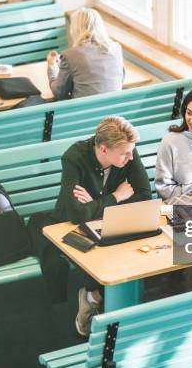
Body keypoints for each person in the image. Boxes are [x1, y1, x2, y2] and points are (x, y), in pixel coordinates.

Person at [28, 116, 151, 336]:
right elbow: (76, 215)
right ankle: (99, 304)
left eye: (131, 152)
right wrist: (116, 196)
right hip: (70, 226)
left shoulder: (128, 152)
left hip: (113, 223)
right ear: (104, 149)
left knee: (139, 259)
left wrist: (93, 202)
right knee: (108, 260)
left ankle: (93, 298)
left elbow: (144, 196)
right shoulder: (74, 157)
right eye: (124, 154)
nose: (130, 157)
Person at [46, 7, 124, 100]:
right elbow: (120, 80)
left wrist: (52, 68)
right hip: (115, 112)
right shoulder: (116, 48)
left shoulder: (70, 55)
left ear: (75, 28)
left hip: (85, 113)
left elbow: (59, 92)